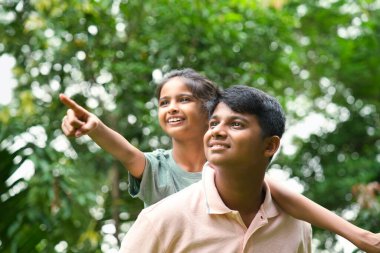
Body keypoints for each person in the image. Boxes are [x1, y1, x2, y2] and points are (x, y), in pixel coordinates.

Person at [60, 68, 380, 252]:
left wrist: (359, 237)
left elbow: (281, 197)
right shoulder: (159, 175)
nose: (171, 108)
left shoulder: (251, 185)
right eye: (164, 102)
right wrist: (96, 128)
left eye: (184, 100)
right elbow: (126, 152)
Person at [118, 85, 312, 252]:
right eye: (213, 123)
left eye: (236, 124)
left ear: (270, 146)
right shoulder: (161, 220)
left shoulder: (297, 226)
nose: (217, 131)